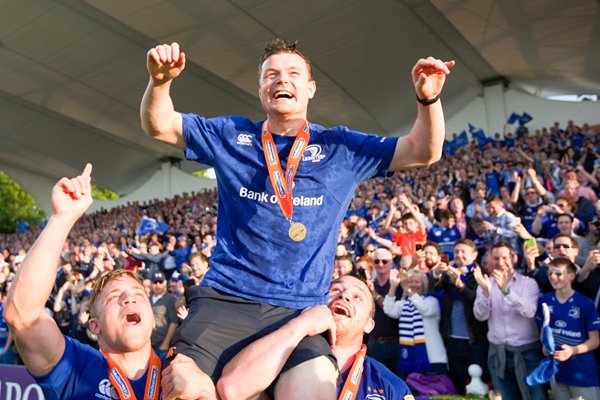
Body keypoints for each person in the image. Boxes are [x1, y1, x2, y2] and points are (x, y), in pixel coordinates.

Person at [141, 38, 454, 397]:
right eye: (270, 74)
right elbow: (159, 125)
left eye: (293, 73)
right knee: (182, 387)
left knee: (313, 389)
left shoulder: (342, 148)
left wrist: (428, 99)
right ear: (260, 88)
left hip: (299, 309)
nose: (281, 80)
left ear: (310, 88)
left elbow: (423, 150)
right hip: (225, 300)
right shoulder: (232, 135)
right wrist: (160, 82)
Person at [2, 165, 196, 399]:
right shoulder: (76, 366)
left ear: (152, 318)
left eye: (138, 293)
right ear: (95, 326)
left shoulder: (184, 369)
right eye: (115, 297)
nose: (129, 297)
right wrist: (62, 218)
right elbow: (23, 314)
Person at [210, 274, 413, 400]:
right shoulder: (276, 357)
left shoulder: (389, 386)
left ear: (369, 325)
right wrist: (301, 325)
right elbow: (232, 389)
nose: (344, 296)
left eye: (357, 296)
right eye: (335, 290)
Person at [473, 242, 548, 400]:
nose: (500, 262)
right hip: (498, 352)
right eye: (496, 258)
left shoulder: (528, 283)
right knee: (506, 396)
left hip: (528, 353)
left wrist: (505, 291)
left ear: (514, 258)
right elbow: (480, 316)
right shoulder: (485, 284)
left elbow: (529, 311)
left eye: (505, 257)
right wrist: (486, 293)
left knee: (537, 396)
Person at [537, 258, 600, 399]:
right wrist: (545, 346)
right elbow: (543, 333)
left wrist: (572, 351)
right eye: (550, 274)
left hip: (582, 374)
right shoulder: (544, 301)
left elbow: (595, 341)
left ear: (571, 276)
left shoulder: (585, 303)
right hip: (557, 371)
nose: (553, 277)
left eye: (558, 273)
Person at [383, 268, 448, 375]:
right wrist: (393, 286)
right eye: (410, 282)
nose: (413, 285)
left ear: (424, 285)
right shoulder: (404, 304)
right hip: (411, 358)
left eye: (417, 282)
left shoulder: (431, 301)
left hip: (433, 358)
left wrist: (408, 290)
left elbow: (424, 309)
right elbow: (388, 310)